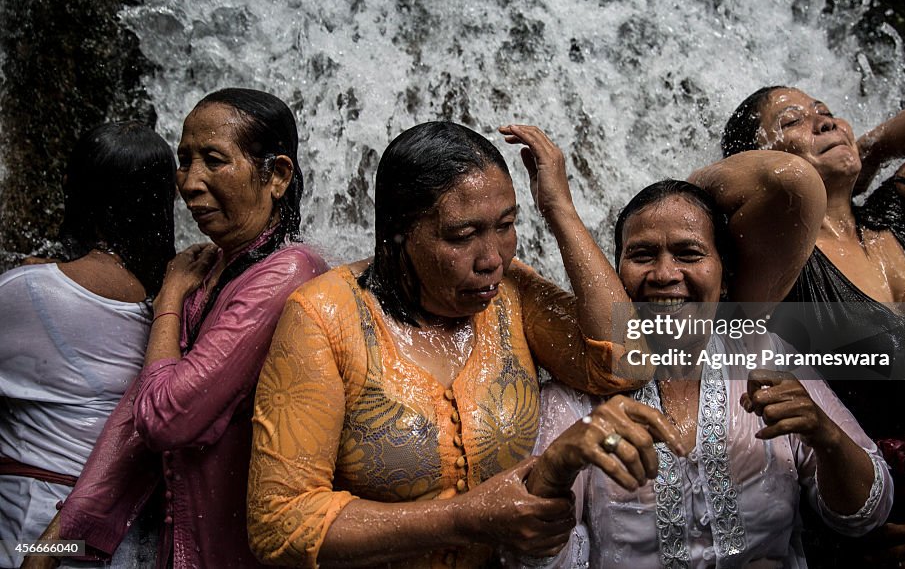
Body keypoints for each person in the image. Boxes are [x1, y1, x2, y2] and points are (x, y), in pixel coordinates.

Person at [247, 122, 645, 568]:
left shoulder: (510, 294)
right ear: (400, 231)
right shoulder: (324, 317)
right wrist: (461, 518)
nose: (492, 258)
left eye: (507, 225)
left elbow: (630, 363)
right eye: (461, 236)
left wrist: (560, 210)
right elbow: (278, 522)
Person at [511, 150, 892, 567]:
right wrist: (558, 467)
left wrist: (827, 437)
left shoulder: (763, 354)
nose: (664, 274)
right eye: (641, 256)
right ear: (614, 275)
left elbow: (864, 515)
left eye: (688, 254)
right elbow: (529, 560)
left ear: (725, 277)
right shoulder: (573, 397)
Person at [721, 85, 905, 566]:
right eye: (792, 121)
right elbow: (705, 193)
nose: (824, 121)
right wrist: (797, 173)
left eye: (828, 112)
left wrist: (867, 147)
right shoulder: (775, 264)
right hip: (895, 530)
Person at [33, 88, 328, 568]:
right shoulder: (210, 267)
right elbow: (134, 414)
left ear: (276, 175)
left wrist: (168, 299)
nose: (189, 183)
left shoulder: (288, 273)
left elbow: (168, 417)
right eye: (185, 160)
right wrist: (56, 540)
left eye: (213, 160)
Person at [0, 121, 175, 568]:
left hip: (38, 534)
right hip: (132, 538)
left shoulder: (27, 292)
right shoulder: (177, 308)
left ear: (71, 187)